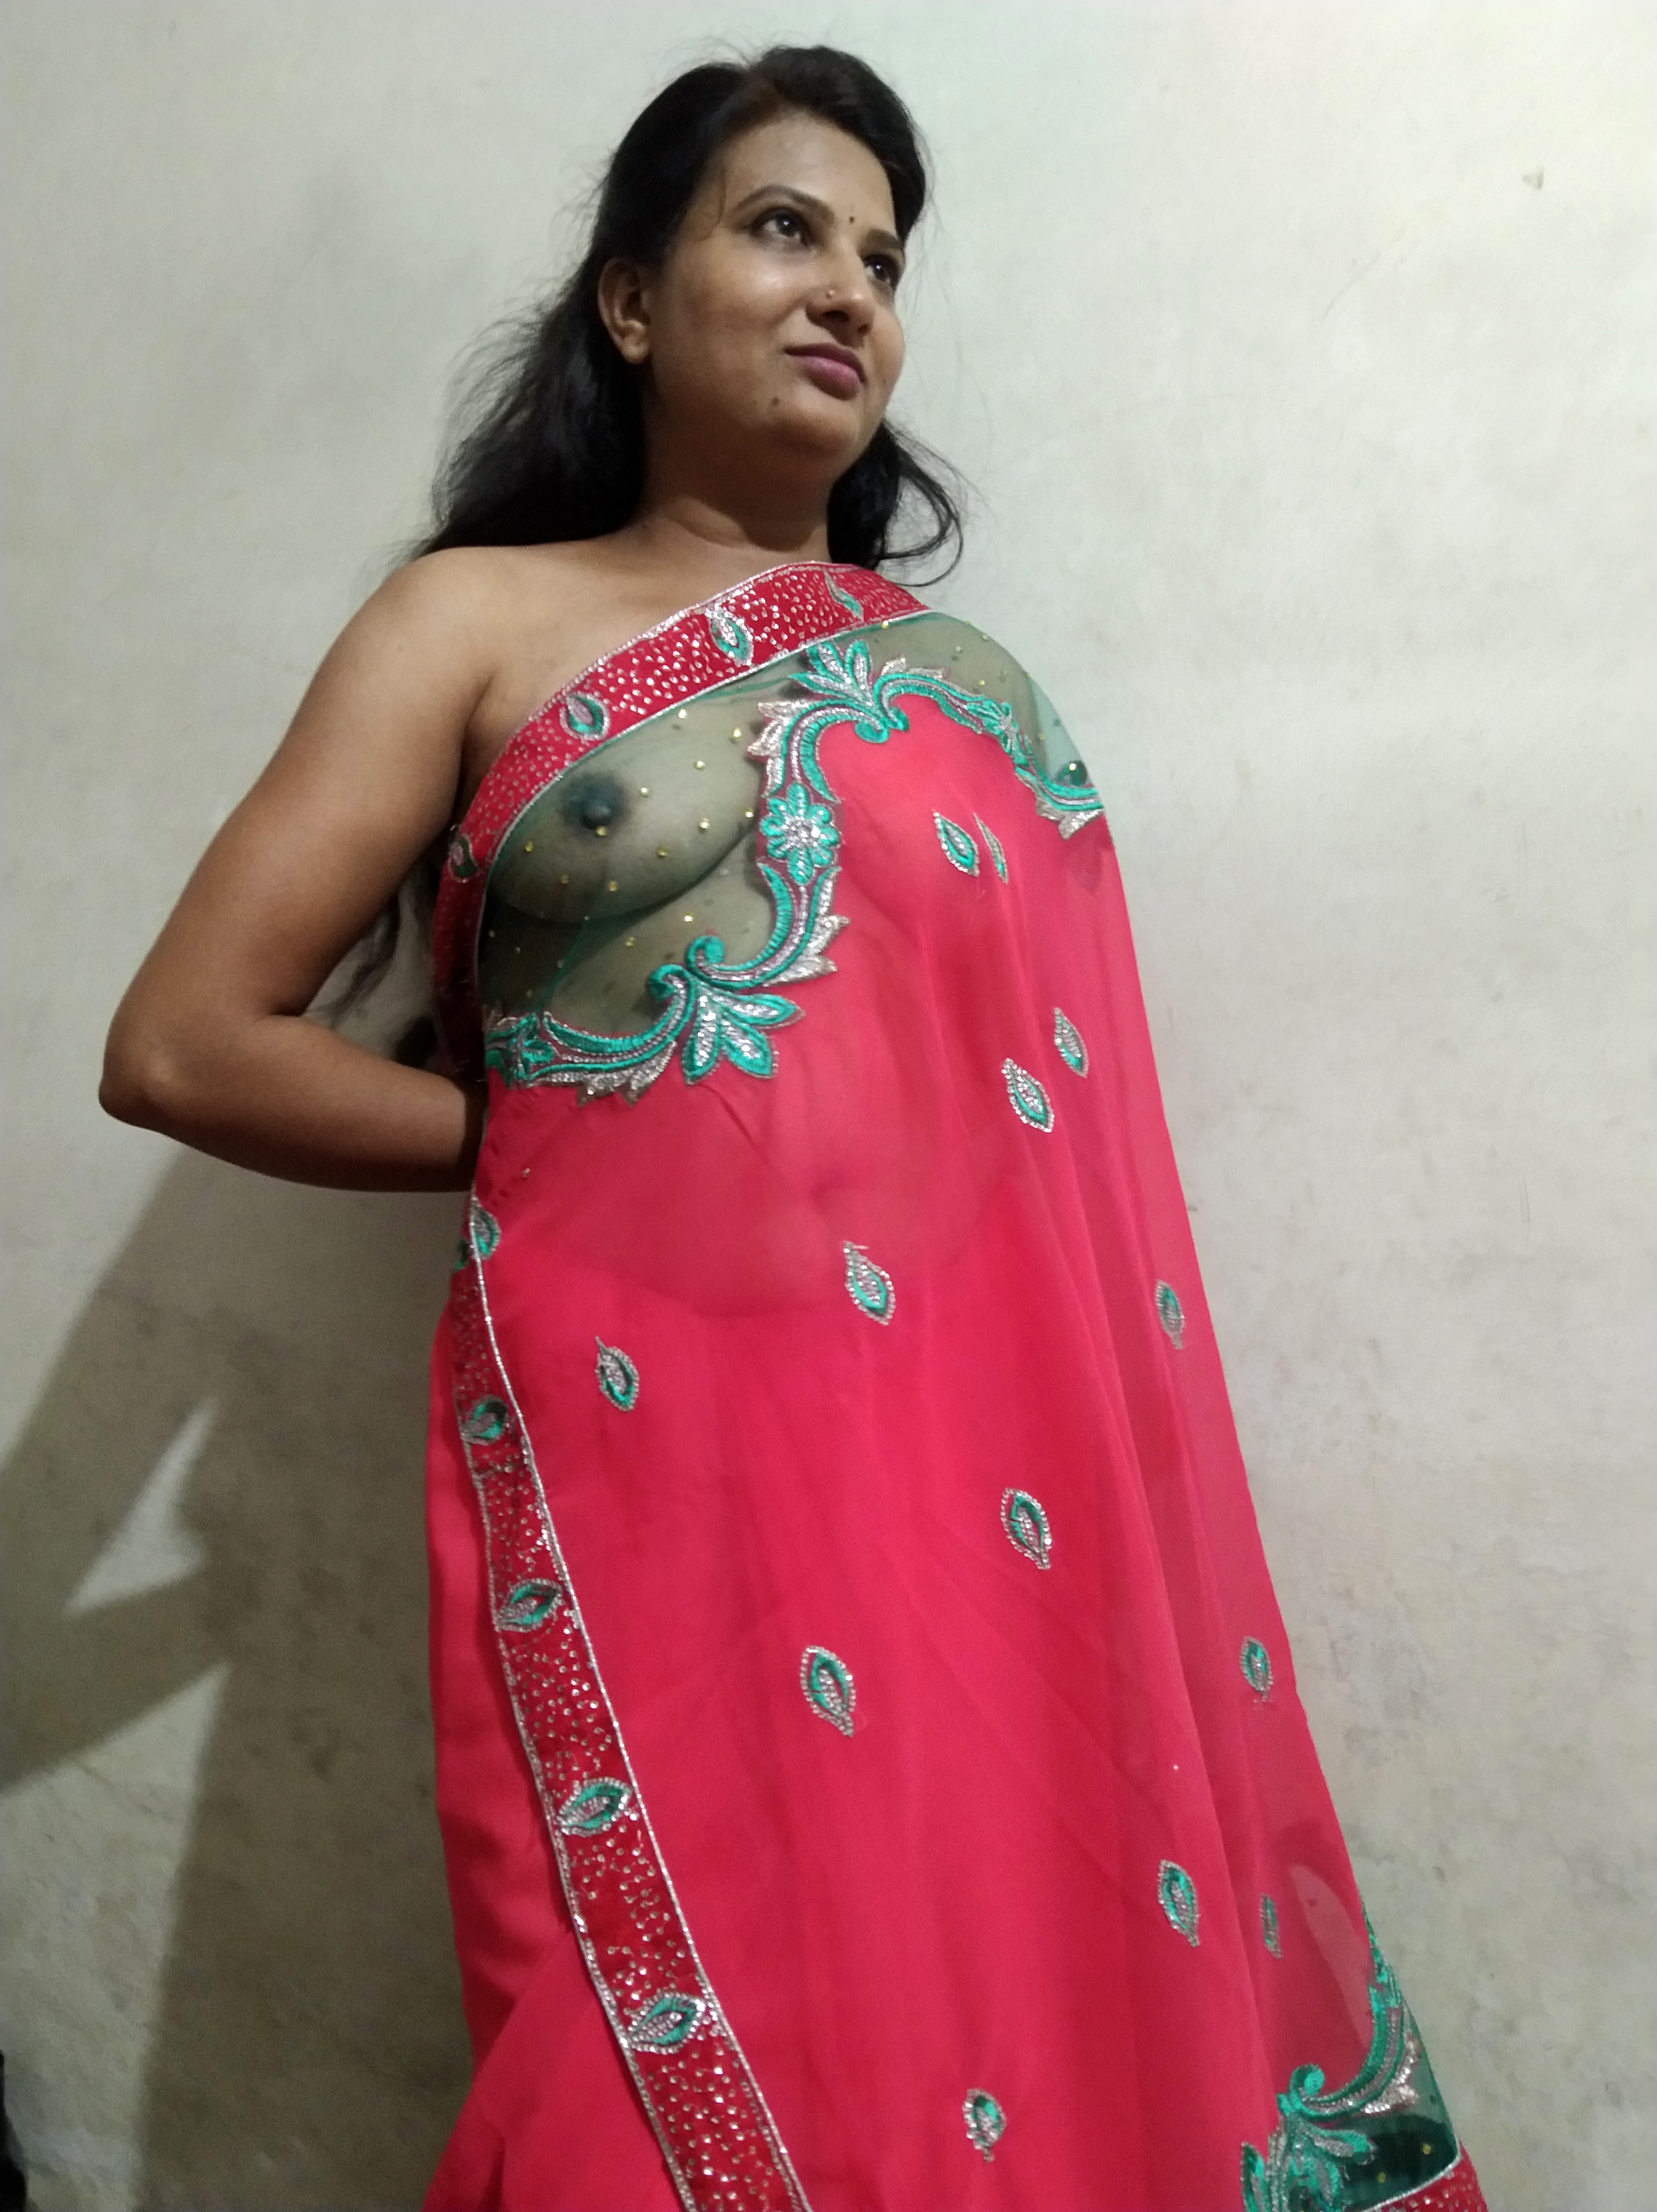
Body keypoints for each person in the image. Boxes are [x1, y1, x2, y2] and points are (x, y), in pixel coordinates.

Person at [102, 44, 1489, 2212]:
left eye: (883, 259)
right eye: (783, 230)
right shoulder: (475, 621)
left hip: (990, 1470)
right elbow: (190, 1043)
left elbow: (1061, 1174)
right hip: (655, 1451)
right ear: (630, 302)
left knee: (1023, 1983)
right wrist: (581, 1131)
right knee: (660, 2056)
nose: (849, 288)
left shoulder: (968, 691)